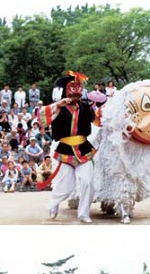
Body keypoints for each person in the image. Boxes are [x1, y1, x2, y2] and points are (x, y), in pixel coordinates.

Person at [40, 71, 98, 223]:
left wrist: (98, 109)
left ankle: (84, 213)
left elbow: (97, 120)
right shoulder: (59, 107)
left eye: (78, 87)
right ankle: (54, 203)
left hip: (83, 148)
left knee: (87, 182)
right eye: (73, 87)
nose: (76, 90)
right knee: (66, 185)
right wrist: (58, 105)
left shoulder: (85, 107)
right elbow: (42, 117)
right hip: (65, 149)